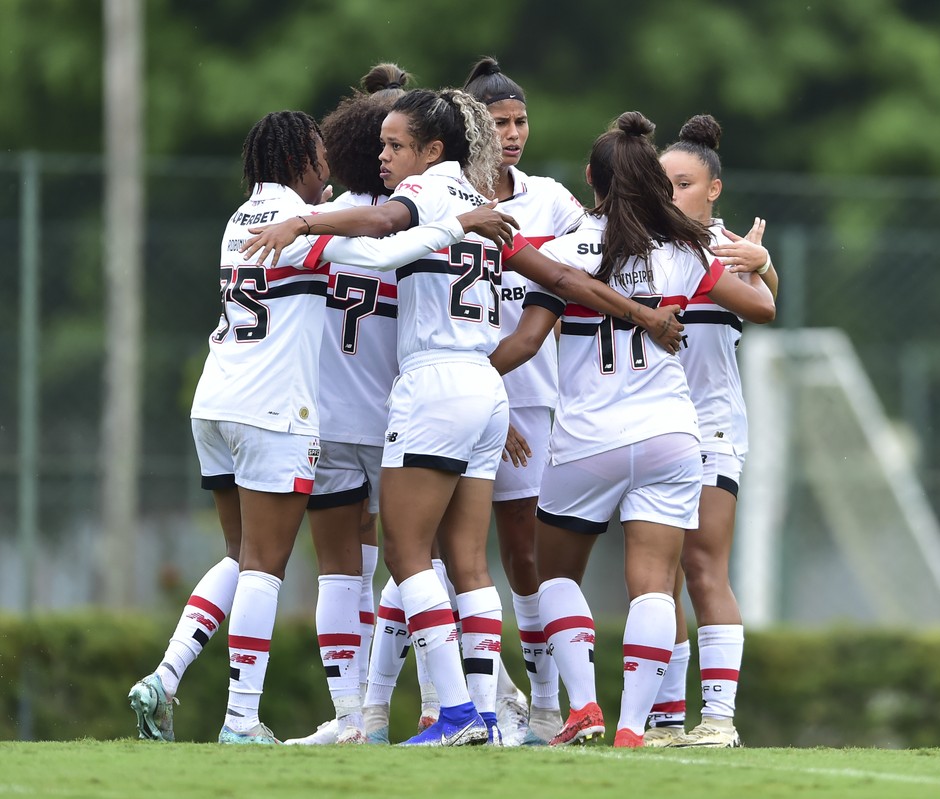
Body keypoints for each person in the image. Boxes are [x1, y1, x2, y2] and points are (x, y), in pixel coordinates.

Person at [241, 88, 682, 746]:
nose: (383, 156)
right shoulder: (482, 206)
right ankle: (480, 713)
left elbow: (386, 230)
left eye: (394, 145)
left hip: (434, 382)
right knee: (471, 564)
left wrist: (308, 227)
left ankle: (450, 712)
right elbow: (554, 280)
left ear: (433, 148)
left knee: (407, 553)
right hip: (486, 384)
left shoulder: (430, 195)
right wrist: (645, 315)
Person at [126, 109, 501, 746]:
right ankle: (243, 719)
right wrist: (459, 224)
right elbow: (387, 251)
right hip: (275, 411)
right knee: (266, 568)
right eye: (319, 159)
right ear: (301, 160)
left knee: (241, 554)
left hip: (214, 398)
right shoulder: (299, 230)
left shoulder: (239, 219)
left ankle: (169, 673)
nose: (328, 169)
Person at [488, 111, 775, 748]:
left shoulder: (562, 252)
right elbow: (761, 305)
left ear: (590, 177)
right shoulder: (684, 250)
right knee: (655, 583)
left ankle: (585, 708)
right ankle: (635, 729)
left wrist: (470, 376)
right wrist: (761, 262)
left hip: (587, 438)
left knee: (556, 576)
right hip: (674, 436)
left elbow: (528, 341)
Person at [282, 63, 410, 747]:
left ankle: (351, 715)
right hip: (400, 425)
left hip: (327, 420)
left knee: (340, 569)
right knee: (412, 564)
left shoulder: (322, 233)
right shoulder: (412, 226)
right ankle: (382, 709)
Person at [647, 113, 780, 749]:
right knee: (659, 574)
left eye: (682, 183)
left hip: (712, 429)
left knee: (703, 566)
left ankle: (719, 718)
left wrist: (766, 263)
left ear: (713, 189)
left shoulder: (725, 248)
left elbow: (765, 300)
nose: (669, 194)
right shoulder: (642, 246)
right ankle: (667, 718)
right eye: (662, 183)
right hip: (650, 429)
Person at [464, 55, 584, 746]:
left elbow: (593, 255)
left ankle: (542, 704)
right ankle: (467, 702)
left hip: (534, 406)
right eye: (499, 123)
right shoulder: (446, 199)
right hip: (459, 404)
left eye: (520, 122)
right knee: (439, 558)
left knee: (523, 557)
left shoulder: (549, 200)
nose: (513, 135)